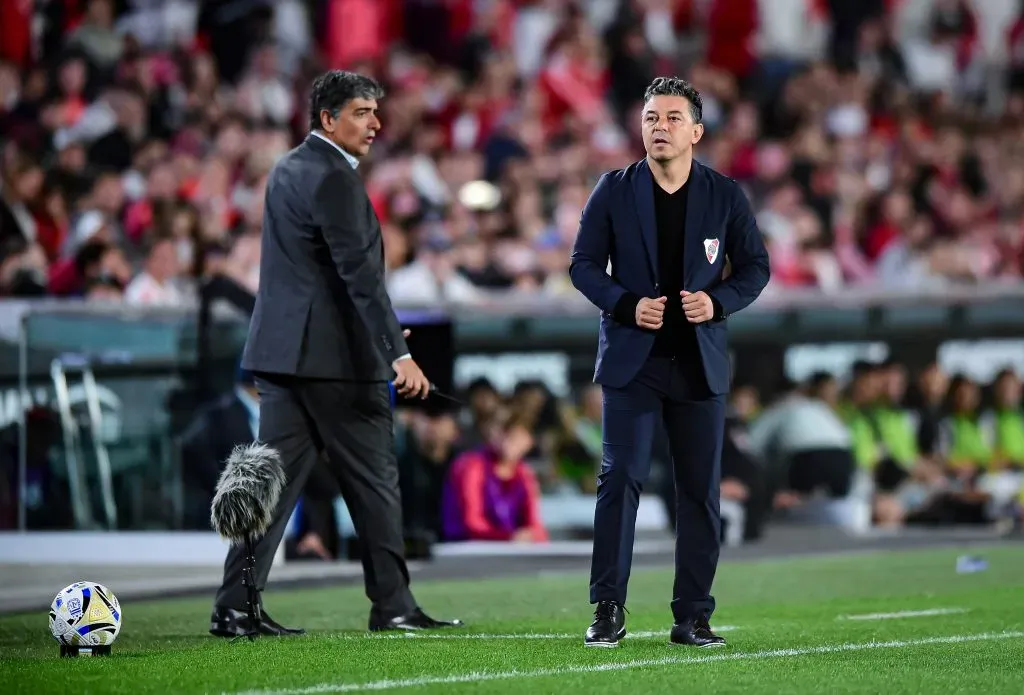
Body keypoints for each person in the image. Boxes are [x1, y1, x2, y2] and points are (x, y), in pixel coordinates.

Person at [210, 70, 463, 637]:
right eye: (360, 112)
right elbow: (361, 277)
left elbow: (317, 276)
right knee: (375, 484)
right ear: (328, 118)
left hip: (282, 358)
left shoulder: (286, 169)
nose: (375, 123)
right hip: (338, 366)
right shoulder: (334, 177)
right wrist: (397, 354)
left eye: (376, 111)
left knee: (269, 487)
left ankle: (234, 606)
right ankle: (393, 605)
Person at [569, 76, 770, 648]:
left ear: (697, 132)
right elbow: (582, 266)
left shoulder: (725, 194)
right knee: (621, 479)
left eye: (672, 118)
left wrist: (719, 300)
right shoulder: (613, 189)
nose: (660, 127)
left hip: (698, 364)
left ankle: (693, 616)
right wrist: (628, 306)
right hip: (635, 363)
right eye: (651, 118)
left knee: (701, 492)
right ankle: (608, 607)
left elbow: (755, 267)